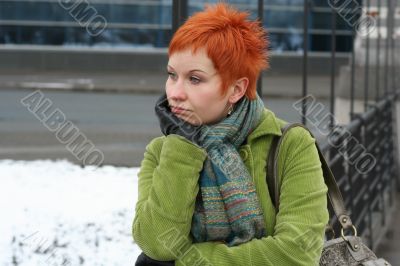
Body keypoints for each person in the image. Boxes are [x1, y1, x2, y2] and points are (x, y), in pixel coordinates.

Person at [133, 3, 329, 265]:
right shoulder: (162, 150)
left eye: (194, 79)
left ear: (236, 90)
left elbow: (297, 252)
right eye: (172, 75)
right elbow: (157, 243)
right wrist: (183, 142)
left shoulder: (291, 145)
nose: (175, 93)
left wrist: (190, 260)